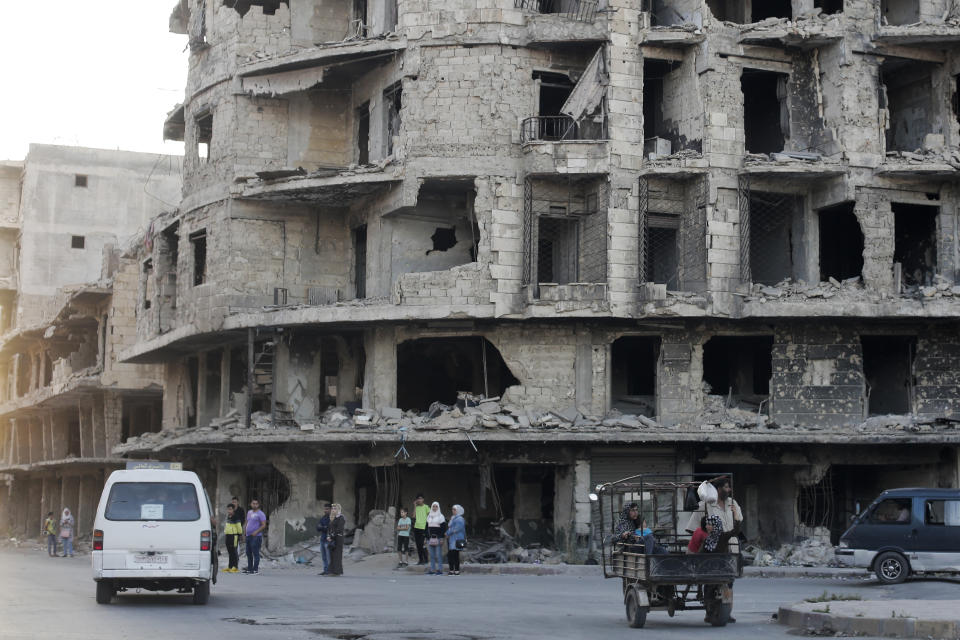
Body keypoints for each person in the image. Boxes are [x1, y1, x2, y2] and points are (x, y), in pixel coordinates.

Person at [685, 478, 743, 553]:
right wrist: (709, 540)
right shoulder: (704, 505)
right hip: (714, 549)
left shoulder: (732, 503)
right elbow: (692, 529)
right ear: (719, 489)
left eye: (729, 487)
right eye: (726, 487)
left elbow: (738, 523)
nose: (729, 490)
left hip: (733, 547)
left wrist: (735, 515)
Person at [243, 498, 267, 574]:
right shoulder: (249, 512)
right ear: (251, 504)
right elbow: (247, 522)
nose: (255, 505)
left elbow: (263, 525)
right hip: (248, 536)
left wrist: (256, 532)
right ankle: (250, 568)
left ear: (258, 505)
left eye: (256, 504)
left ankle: (255, 569)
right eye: (253, 503)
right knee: (248, 552)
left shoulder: (261, 514)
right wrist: (244, 532)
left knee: (255, 553)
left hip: (256, 537)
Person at [425, 501, 446, 575]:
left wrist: (442, 538)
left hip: (438, 538)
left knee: (438, 555)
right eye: (433, 506)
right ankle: (432, 569)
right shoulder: (429, 516)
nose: (434, 508)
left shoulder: (441, 516)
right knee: (431, 555)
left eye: (436, 506)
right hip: (430, 539)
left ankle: (440, 570)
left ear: (438, 507)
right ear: (431, 507)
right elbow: (426, 528)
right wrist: (426, 537)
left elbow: (443, 528)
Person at [446, 504, 465, 576]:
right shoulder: (453, 518)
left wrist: (448, 533)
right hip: (452, 539)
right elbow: (451, 528)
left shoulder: (460, 519)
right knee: (452, 555)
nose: (453, 511)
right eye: (452, 509)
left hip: (456, 539)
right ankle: (453, 570)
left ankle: (455, 570)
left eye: (454, 509)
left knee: (454, 555)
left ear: (458, 511)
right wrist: (447, 533)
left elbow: (456, 529)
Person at [224, 503, 243, 573]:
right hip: (228, 536)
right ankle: (230, 567)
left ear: (233, 510)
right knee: (230, 552)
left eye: (230, 509)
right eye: (228, 509)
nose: (229, 511)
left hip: (234, 536)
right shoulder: (228, 516)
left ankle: (235, 567)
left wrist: (240, 535)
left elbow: (239, 527)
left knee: (234, 552)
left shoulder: (236, 517)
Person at [327, 503, 345, 576]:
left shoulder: (341, 518)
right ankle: (332, 571)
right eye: (333, 508)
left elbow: (339, 529)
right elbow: (329, 528)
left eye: (335, 508)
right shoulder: (332, 517)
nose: (333, 510)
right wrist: (328, 536)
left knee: (337, 555)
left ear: (338, 509)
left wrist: (331, 536)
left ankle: (337, 572)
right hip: (332, 539)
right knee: (332, 555)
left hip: (338, 538)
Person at [412, 494, 429, 565]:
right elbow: (413, 516)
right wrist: (415, 506)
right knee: (418, 545)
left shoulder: (426, 507)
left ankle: (426, 559)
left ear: (423, 499)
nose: (419, 500)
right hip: (416, 528)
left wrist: (427, 528)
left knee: (422, 544)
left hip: (423, 527)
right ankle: (420, 560)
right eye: (418, 499)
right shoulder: (417, 507)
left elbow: (430, 516)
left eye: (421, 498)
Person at [316, 503, 332, 575]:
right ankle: (326, 570)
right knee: (324, 557)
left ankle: (330, 570)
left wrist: (323, 527)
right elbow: (318, 527)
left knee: (329, 557)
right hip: (322, 539)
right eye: (325, 509)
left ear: (331, 510)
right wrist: (323, 527)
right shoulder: (323, 518)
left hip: (329, 540)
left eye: (327, 509)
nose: (325, 510)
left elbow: (330, 528)